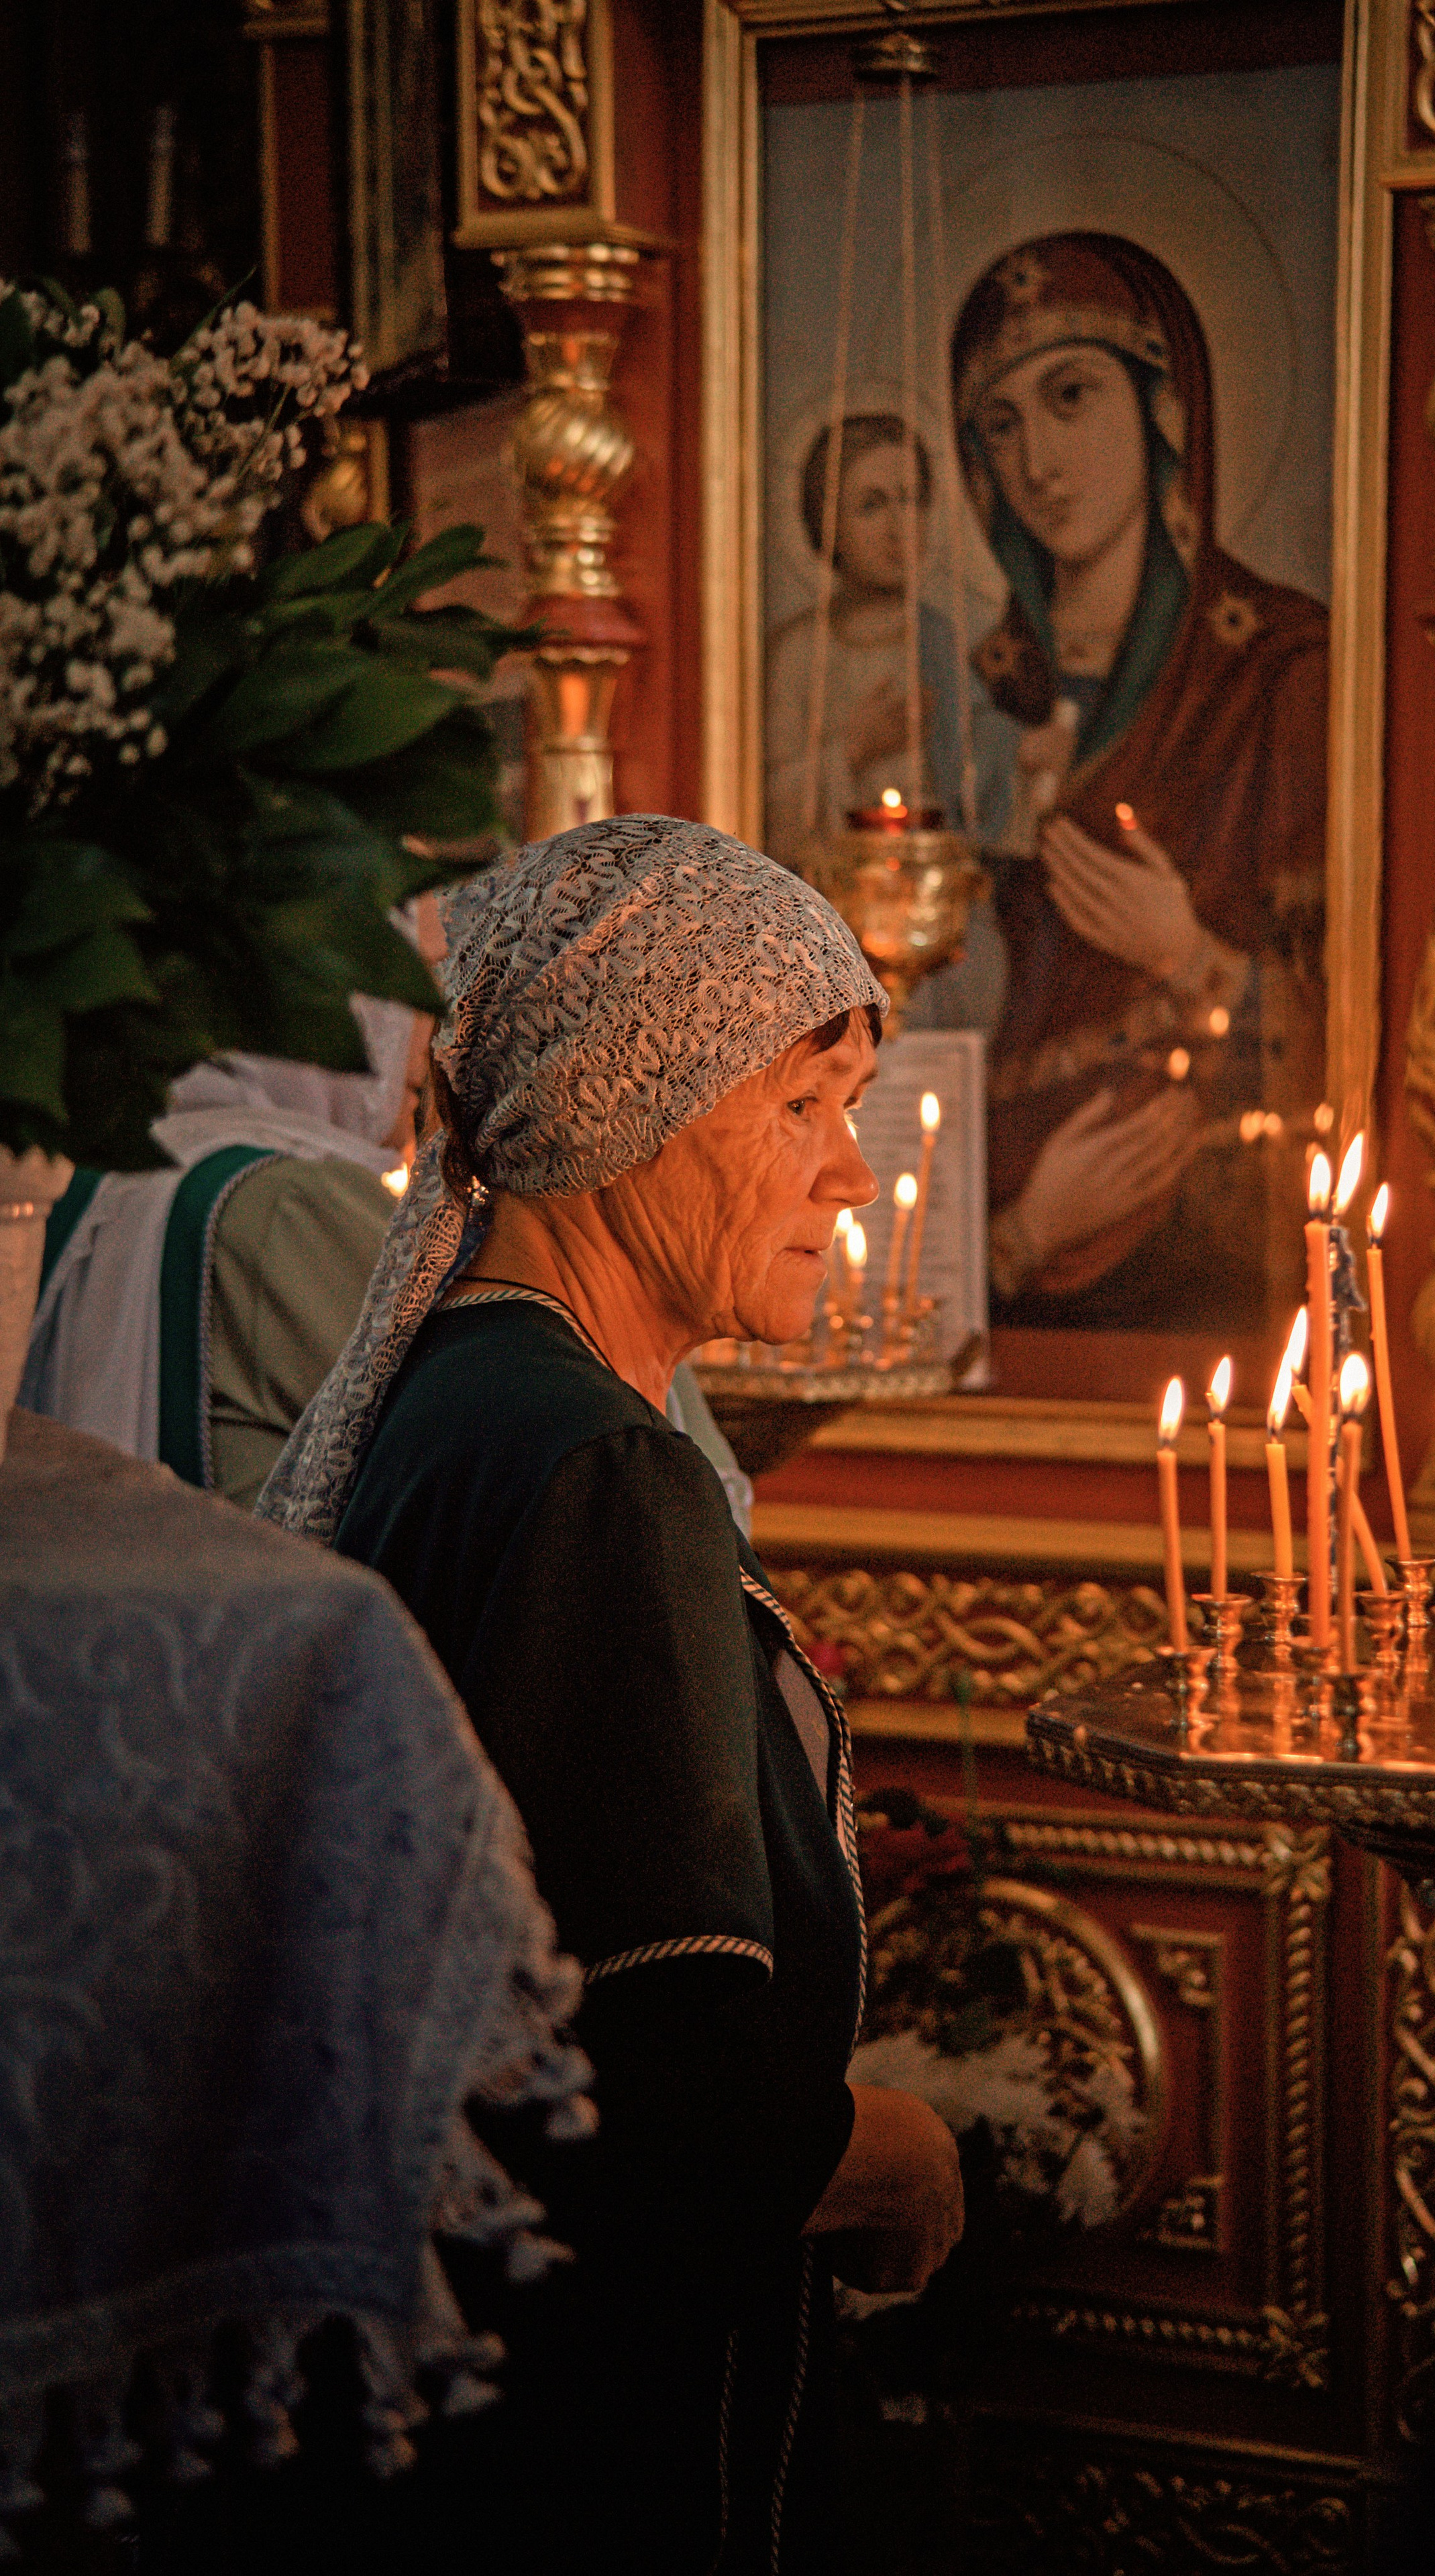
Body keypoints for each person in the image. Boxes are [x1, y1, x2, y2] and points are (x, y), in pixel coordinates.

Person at [256, 815, 965, 2572]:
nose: (854, 1176)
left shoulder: (458, 1405)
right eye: (799, 1108)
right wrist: (895, 2155)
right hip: (577, 2462)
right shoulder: (598, 1474)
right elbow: (657, 2115)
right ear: (619, 1107)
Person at [951, 233, 1330, 1330]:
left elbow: (1350, 1033)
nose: (1039, 462)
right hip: (989, 1246)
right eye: (1003, 424)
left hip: (1192, 1257)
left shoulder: (1276, 671)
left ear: (1163, 411)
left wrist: (1190, 953)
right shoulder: (981, 689)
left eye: (1072, 397)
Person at [20, 994, 423, 1507]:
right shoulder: (298, 1204)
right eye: (421, 968)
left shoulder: (87, 1168)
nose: (438, 1028)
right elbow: (472, 1434)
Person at [765, 414, 1015, 1037]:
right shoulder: (800, 652)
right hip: (829, 926)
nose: (900, 526)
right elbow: (762, 806)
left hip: (933, 923)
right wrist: (851, 749)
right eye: (872, 504)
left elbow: (979, 764)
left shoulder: (937, 638)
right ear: (830, 528)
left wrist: (1023, 751)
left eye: (911, 500)